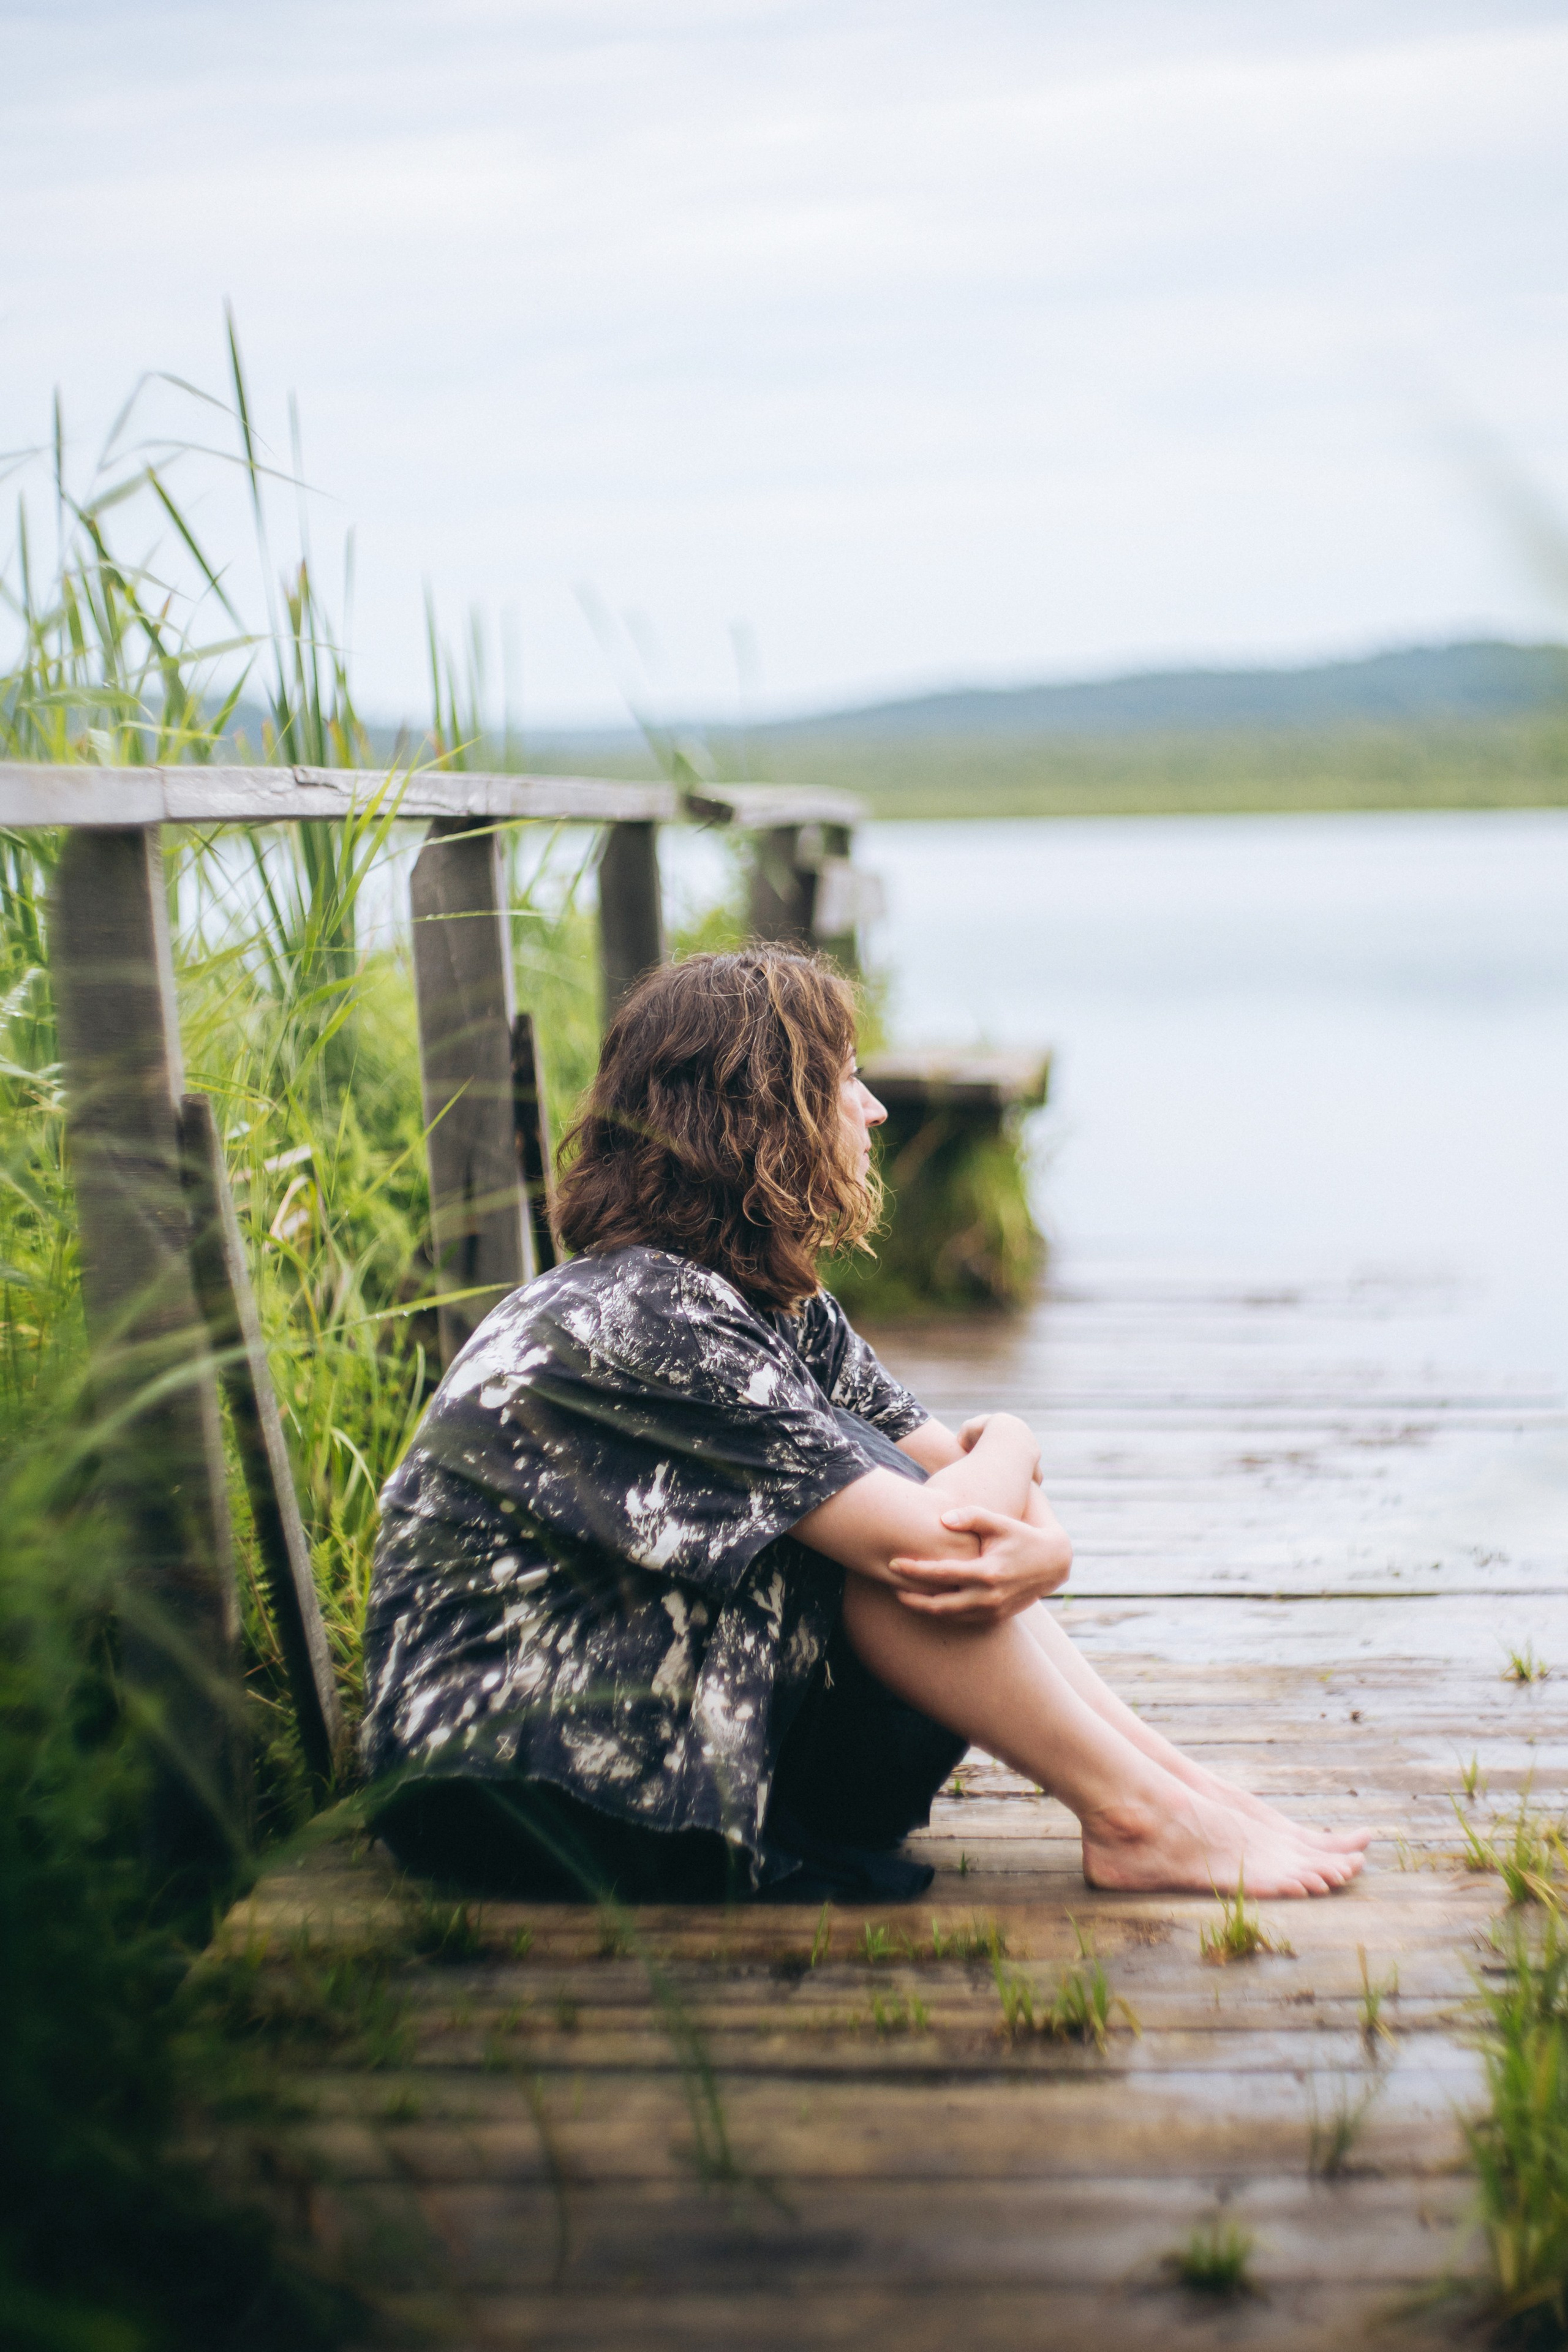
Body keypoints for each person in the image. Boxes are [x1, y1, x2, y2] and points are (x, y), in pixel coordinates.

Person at [361, 948, 1367, 1904]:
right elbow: (943, 1533)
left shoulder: (765, 1303)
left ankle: (1173, 1794)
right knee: (875, 1533)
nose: (875, 1108)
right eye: (846, 1080)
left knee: (879, 1492)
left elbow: (955, 1471)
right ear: (762, 1112)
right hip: (505, 1781)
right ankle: (1139, 1814)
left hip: (625, 1718)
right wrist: (1015, 1468)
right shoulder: (645, 1316)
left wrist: (1026, 1498)